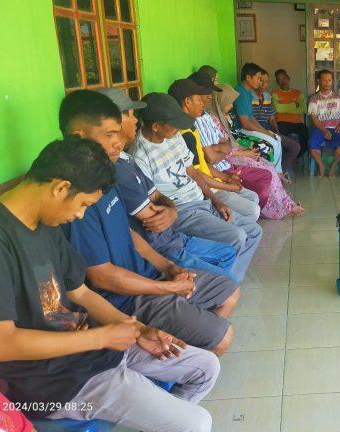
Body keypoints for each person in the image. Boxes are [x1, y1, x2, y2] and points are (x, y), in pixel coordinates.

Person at [0, 138, 218, 431]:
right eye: (83, 204)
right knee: (198, 423)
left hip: (93, 350)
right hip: (54, 383)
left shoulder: (44, 224)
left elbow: (80, 292)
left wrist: (137, 330)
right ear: (61, 188)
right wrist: (101, 338)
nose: (80, 215)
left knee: (207, 367)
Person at [58, 90, 239, 356]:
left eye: (118, 132)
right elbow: (101, 276)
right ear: (78, 136)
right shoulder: (75, 199)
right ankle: (187, 355)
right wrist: (167, 288)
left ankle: (188, 342)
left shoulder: (106, 174)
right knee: (222, 338)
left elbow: (129, 235)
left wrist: (167, 267)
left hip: (149, 275)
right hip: (127, 299)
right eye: (111, 134)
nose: (118, 143)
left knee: (230, 291)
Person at [96, 87, 239, 281]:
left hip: (174, 235)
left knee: (228, 252)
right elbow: (153, 218)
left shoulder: (125, 159)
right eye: (130, 114)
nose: (136, 119)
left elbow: (158, 196)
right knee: (229, 277)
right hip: (165, 246)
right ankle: (213, 285)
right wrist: (172, 212)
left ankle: (213, 284)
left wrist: (172, 210)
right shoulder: (125, 164)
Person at [131, 92, 262, 283]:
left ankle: (229, 282)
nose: (178, 128)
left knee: (254, 231)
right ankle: (224, 285)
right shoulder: (140, 156)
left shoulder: (174, 137)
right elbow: (152, 200)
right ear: (156, 126)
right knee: (237, 236)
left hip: (201, 201)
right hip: (182, 210)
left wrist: (215, 201)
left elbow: (193, 172)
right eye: (173, 124)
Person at [174, 76, 265, 224]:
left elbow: (206, 163)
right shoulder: (184, 134)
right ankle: (235, 228)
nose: (203, 102)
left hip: (214, 180)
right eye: (199, 99)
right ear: (187, 102)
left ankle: (238, 225)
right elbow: (198, 173)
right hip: (206, 190)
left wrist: (228, 178)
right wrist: (227, 185)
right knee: (253, 211)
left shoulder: (192, 127)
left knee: (253, 197)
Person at [209, 83, 305, 219]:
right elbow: (220, 150)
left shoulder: (220, 117)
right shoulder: (211, 121)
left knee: (268, 165)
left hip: (232, 154)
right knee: (266, 169)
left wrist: (243, 149)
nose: (231, 106)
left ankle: (286, 203)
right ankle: (278, 208)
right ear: (220, 102)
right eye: (229, 103)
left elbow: (228, 143)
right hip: (227, 161)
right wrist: (244, 153)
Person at [234, 63, 300, 181]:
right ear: (248, 78)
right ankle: (274, 176)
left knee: (277, 139)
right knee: (273, 142)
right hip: (242, 130)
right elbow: (245, 124)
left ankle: (278, 173)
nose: (260, 82)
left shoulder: (247, 91)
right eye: (258, 78)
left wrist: (265, 131)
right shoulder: (241, 93)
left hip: (251, 127)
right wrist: (265, 132)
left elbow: (251, 118)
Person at [308, 69, 340, 177]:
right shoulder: (314, 99)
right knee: (312, 143)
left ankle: (333, 165)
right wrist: (324, 130)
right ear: (319, 81)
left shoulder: (339, 96)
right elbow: (313, 117)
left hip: (336, 128)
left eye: (329, 80)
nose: (327, 83)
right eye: (324, 80)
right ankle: (321, 165)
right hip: (319, 129)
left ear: (332, 81)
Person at [273, 68, 308, 156]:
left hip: (298, 123)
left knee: (306, 136)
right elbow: (276, 108)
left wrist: (283, 107)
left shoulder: (298, 93)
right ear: (277, 83)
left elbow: (303, 109)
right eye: (280, 80)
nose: (283, 81)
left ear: (288, 78)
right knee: (282, 140)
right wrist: (293, 105)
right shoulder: (275, 93)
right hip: (282, 123)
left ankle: (294, 157)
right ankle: (288, 158)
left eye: (284, 78)